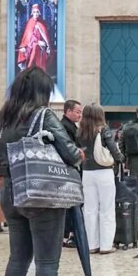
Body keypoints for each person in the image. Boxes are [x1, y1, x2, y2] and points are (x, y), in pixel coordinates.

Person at [0, 67, 84, 276]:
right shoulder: (43, 115)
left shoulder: (4, 117)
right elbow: (69, 153)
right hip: (41, 194)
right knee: (46, 262)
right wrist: (79, 153)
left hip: (11, 191)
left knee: (17, 259)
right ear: (41, 92)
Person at [77, 105, 123, 255]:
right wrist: (119, 159)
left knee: (89, 209)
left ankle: (92, 245)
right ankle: (105, 245)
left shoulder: (80, 131)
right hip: (104, 172)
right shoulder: (103, 129)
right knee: (107, 208)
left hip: (87, 173)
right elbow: (113, 149)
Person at [60, 100, 82, 248]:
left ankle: (70, 233)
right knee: (69, 203)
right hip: (68, 169)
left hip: (71, 168)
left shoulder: (70, 126)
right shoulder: (65, 127)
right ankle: (67, 234)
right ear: (68, 111)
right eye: (77, 112)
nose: (79, 115)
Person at [16, 3, 51, 73]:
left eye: (37, 12)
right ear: (32, 13)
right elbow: (27, 37)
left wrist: (46, 45)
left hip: (41, 46)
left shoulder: (42, 22)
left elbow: (45, 37)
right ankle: (28, 69)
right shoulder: (29, 22)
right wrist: (27, 46)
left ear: (39, 13)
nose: (36, 14)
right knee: (33, 47)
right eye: (34, 12)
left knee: (36, 47)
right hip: (30, 45)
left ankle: (38, 70)